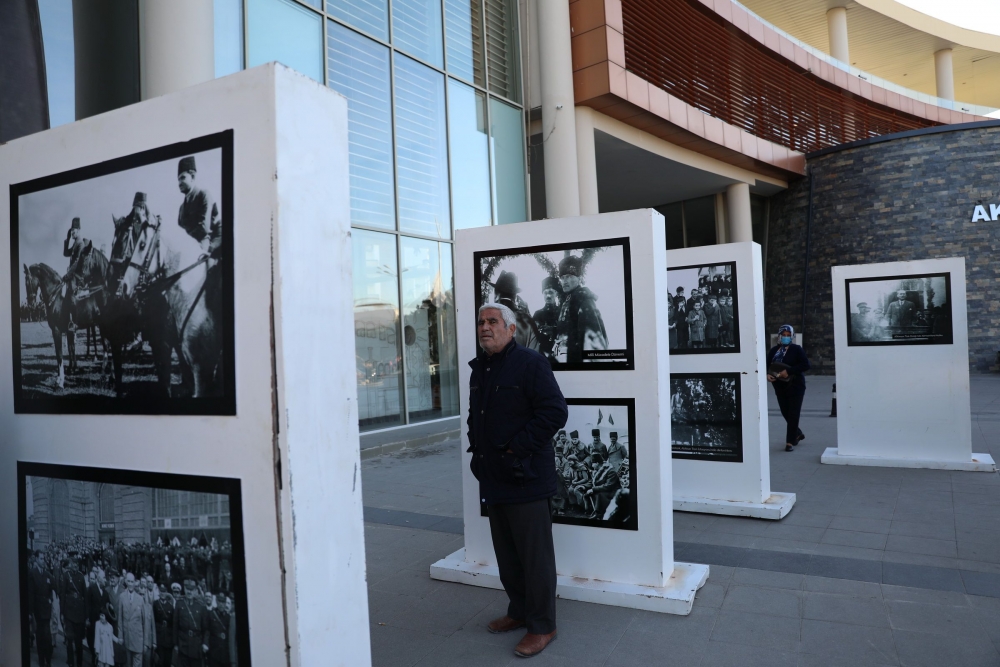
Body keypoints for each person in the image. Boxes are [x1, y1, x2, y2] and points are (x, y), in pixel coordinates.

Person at [467, 302, 567, 658]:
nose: (484, 327)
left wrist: (515, 450)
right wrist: (476, 451)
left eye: (492, 321)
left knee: (534, 557)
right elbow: (474, 415)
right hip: (494, 479)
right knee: (507, 555)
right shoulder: (479, 369)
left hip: (526, 478)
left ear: (510, 329)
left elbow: (555, 412)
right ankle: (520, 611)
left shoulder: (531, 363)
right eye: (481, 322)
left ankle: (543, 626)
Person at [554, 256, 608, 363]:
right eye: (563, 277)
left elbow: (592, 341)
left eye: (569, 276)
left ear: (579, 278)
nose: (565, 281)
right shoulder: (570, 299)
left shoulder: (583, 300)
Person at [766, 324, 810, 452]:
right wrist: (767, 375)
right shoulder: (774, 351)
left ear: (792, 336)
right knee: (785, 412)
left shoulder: (797, 349)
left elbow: (805, 365)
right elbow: (767, 365)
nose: (786, 338)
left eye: (788, 335)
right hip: (780, 386)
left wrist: (789, 371)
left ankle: (790, 442)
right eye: (783, 335)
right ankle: (797, 432)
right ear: (779, 336)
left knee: (793, 413)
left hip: (796, 386)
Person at [177, 155, 221, 258]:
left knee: (209, 264)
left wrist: (188, 242)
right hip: (194, 242)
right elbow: (180, 230)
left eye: (183, 178)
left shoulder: (203, 195)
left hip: (214, 237)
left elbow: (204, 228)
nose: (179, 183)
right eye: (178, 180)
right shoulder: (181, 208)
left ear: (193, 177)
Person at [117, 572, 149, 667]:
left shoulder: (140, 599)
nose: (130, 584)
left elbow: (145, 622)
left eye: (132, 581)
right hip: (127, 638)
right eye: (129, 581)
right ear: (126, 581)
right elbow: (120, 618)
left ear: (135, 583)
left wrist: (145, 643)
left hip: (138, 639)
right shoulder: (122, 597)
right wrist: (120, 636)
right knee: (127, 664)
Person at [533, 276, 562, 356]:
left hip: (560, 353)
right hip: (542, 353)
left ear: (556, 294)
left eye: (551, 292)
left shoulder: (562, 312)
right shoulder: (538, 314)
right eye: (545, 293)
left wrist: (554, 330)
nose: (548, 296)